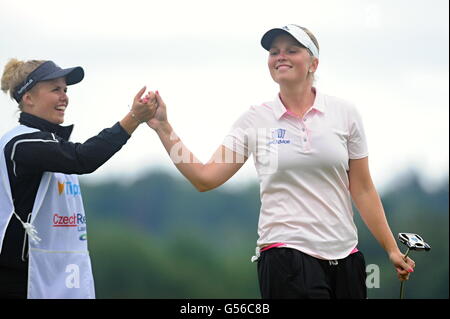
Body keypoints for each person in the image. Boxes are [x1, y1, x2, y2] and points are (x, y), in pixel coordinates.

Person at [146, 24, 416, 299]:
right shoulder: (254, 120)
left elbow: (362, 188)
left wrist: (391, 248)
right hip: (285, 256)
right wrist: (164, 129)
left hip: (346, 256)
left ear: (314, 63)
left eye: (291, 50)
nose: (280, 56)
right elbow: (205, 178)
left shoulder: (345, 114)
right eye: (274, 52)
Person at [0, 58, 156, 299]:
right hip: (21, 279)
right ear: (28, 98)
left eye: (65, 89)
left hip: (53, 274)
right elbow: (83, 159)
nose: (64, 97)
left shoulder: (48, 141)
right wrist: (133, 118)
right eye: (55, 89)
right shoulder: (22, 143)